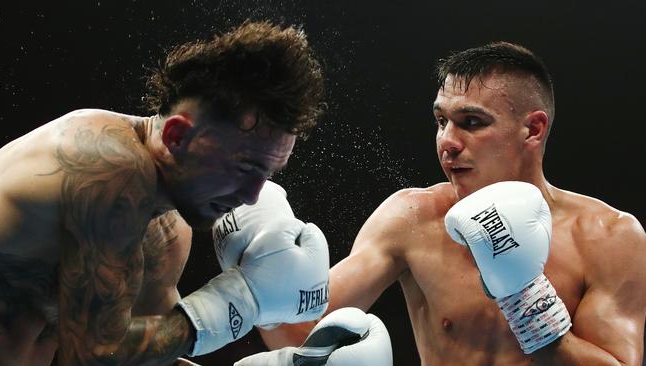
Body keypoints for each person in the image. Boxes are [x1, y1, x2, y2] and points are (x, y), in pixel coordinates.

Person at [255, 42, 646, 365]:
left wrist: (527, 304)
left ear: (533, 128)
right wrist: (256, 276)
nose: (447, 141)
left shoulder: (609, 236)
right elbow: (299, 333)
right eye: (441, 121)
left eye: (472, 122)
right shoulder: (411, 217)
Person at [0, 20, 331, 366]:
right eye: (245, 168)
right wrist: (240, 300)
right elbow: (94, 355)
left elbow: (141, 354)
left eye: (267, 174)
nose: (251, 196)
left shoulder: (169, 230)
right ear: (176, 136)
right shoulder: (105, 168)